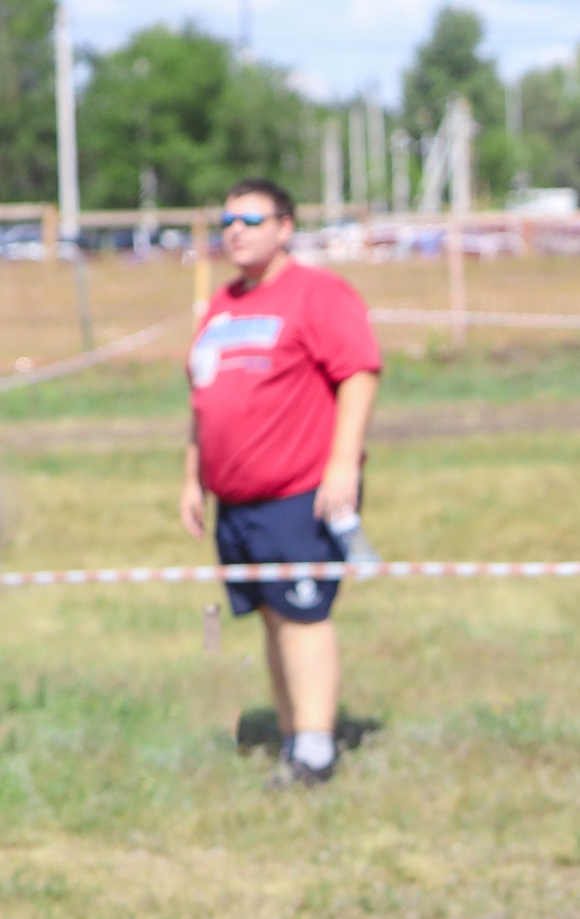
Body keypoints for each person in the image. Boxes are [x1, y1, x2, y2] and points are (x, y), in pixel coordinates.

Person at [179, 177, 381, 788]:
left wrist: (343, 464)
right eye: (227, 222)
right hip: (236, 502)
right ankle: (295, 736)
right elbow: (203, 400)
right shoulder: (222, 305)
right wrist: (192, 479)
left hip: (298, 492)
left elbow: (359, 373)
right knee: (272, 617)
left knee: (301, 617)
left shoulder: (318, 294)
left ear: (285, 228)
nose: (235, 232)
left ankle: (315, 751)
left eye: (250, 220)